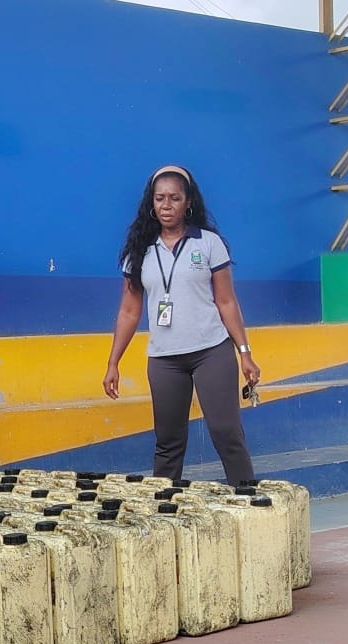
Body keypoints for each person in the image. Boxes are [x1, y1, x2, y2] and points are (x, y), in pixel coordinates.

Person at [103, 164, 260, 486]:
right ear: (151, 202)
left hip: (211, 351)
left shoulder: (209, 243)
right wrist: (113, 362)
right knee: (168, 441)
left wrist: (245, 353)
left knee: (226, 433)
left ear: (188, 202)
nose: (167, 205)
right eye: (160, 198)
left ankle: (247, 498)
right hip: (164, 359)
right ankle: (164, 505)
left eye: (174, 198)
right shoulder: (139, 251)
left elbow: (227, 302)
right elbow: (129, 311)